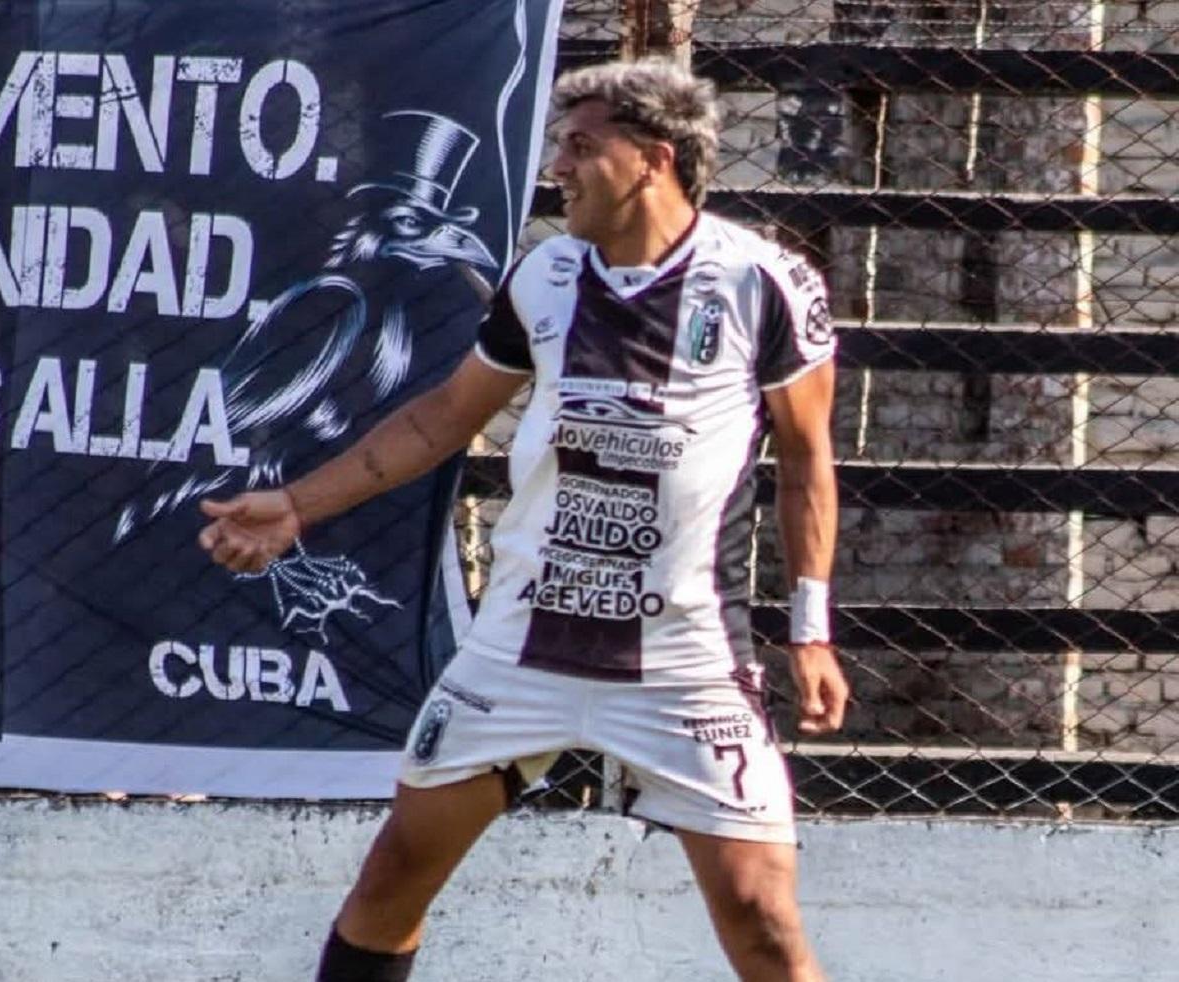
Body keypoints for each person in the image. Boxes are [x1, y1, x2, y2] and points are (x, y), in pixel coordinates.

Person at [198, 57, 849, 982]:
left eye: (581, 147)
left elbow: (809, 460)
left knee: (760, 919)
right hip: (522, 649)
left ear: (655, 158)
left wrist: (812, 631)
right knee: (392, 882)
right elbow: (442, 418)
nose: (560, 168)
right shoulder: (545, 275)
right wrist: (298, 505)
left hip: (685, 659)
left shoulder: (763, 280)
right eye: (559, 148)